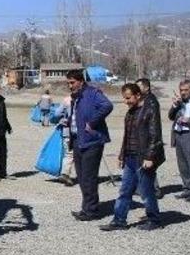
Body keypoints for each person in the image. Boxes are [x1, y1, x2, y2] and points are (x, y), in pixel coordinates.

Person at [99, 84, 165, 231]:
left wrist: (150, 157)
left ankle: (154, 219)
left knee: (147, 192)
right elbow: (126, 137)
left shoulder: (150, 111)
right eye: (124, 98)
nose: (126, 101)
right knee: (125, 191)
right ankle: (119, 221)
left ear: (138, 95)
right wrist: (122, 155)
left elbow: (156, 136)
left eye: (128, 98)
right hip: (130, 158)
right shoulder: (130, 113)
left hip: (144, 159)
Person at [67, 69, 114, 221]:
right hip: (77, 140)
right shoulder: (76, 96)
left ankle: (92, 210)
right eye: (68, 83)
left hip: (92, 141)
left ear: (81, 81)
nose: (70, 85)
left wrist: (93, 122)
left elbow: (107, 106)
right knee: (81, 177)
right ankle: (86, 207)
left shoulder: (93, 93)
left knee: (89, 177)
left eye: (72, 82)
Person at [135, 78, 163, 198]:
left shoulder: (151, 102)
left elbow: (154, 127)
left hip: (149, 139)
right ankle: (142, 188)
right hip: (142, 139)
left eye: (139, 87)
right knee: (142, 167)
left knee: (149, 167)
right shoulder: (143, 100)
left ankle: (155, 191)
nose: (137, 90)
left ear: (146, 88)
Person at [55, 94, 76, 186]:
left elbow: (57, 113)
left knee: (68, 153)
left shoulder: (66, 99)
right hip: (80, 132)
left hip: (67, 131)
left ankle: (65, 173)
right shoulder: (85, 99)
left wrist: (63, 118)